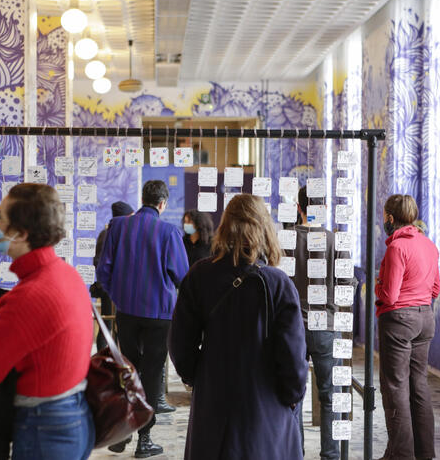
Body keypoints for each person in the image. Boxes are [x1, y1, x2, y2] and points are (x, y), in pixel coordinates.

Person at [0, 183, 95, 460]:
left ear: (20, 234)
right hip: (73, 416)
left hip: (45, 425)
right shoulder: (66, 274)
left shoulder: (30, 296)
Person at [169, 194, 308, 460]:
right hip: (265, 406)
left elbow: (180, 344)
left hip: (213, 403)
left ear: (225, 226)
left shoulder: (199, 275)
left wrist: (197, 376)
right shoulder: (278, 284)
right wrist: (292, 394)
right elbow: (292, 356)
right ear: (265, 228)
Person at [97, 180, 189, 458]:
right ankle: (144, 440)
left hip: (126, 312)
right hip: (159, 314)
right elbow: (182, 276)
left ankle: (122, 432)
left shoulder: (118, 227)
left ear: (143, 199)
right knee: (152, 373)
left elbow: (104, 271)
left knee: (129, 370)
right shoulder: (168, 232)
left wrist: (120, 294)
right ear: (162, 203)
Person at [291, 188, 358, 459]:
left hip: (293, 326)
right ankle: (330, 455)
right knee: (329, 396)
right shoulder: (335, 241)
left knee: (293, 397)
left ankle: (295, 452)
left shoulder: (285, 240)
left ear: (298, 207)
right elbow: (347, 286)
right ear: (326, 206)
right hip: (327, 327)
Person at [375, 194, 439, 460]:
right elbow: (435, 288)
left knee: (395, 387)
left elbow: (389, 295)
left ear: (390, 218)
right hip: (426, 319)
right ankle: (425, 454)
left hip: (399, 322)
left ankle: (400, 455)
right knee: (419, 386)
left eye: (384, 216)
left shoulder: (396, 248)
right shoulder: (429, 245)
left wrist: (377, 284)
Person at [91, 200, 134, 351]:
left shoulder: (108, 233)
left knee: (110, 324)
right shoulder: (110, 234)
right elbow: (99, 261)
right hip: (111, 288)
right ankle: (104, 358)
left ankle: (108, 358)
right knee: (108, 324)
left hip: (112, 287)